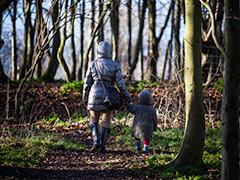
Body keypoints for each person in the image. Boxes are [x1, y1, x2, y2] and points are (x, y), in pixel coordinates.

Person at [83, 41, 131, 153]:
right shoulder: (114, 65)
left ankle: (96, 141)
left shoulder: (93, 64)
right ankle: (103, 146)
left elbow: (87, 82)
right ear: (110, 51)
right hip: (109, 96)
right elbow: (120, 83)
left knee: (93, 119)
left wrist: (85, 97)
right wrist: (126, 96)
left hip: (94, 95)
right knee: (106, 120)